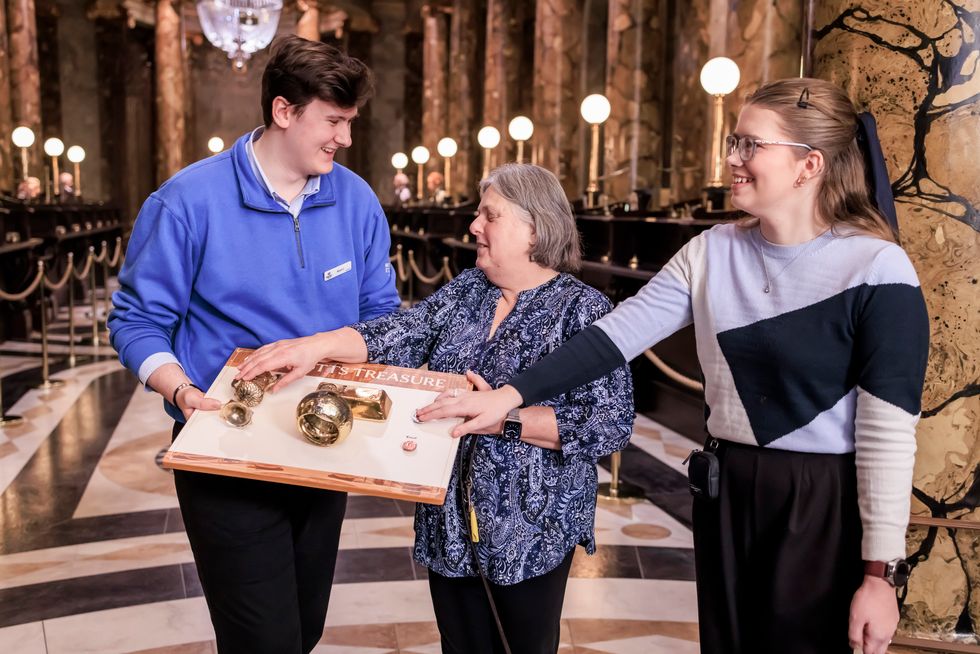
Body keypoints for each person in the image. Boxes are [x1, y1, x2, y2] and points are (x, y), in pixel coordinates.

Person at [416, 78, 930, 654]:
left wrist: (879, 575)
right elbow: (614, 338)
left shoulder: (877, 267)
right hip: (728, 488)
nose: (732, 158)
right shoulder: (713, 250)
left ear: (809, 164)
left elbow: (888, 435)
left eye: (750, 145)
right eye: (734, 141)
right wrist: (508, 396)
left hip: (819, 500)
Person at [236, 163, 634, 654]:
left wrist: (503, 418)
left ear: (534, 227)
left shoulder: (584, 310)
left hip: (531, 528)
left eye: (490, 215)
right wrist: (316, 346)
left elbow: (609, 423)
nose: (473, 226)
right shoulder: (468, 290)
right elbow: (398, 333)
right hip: (449, 522)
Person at [108, 35, 399, 654]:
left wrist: (330, 348)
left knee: (304, 627)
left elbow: (382, 319)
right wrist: (180, 390)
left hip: (328, 445)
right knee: (263, 640)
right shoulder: (186, 201)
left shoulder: (358, 202)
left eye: (350, 122)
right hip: (224, 450)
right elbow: (136, 321)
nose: (345, 138)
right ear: (284, 112)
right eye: (334, 121)